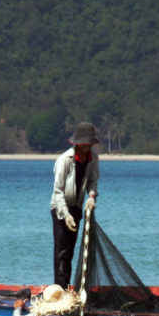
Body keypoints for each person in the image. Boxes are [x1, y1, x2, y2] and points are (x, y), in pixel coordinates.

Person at [50, 122, 100, 288]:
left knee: (70, 251)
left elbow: (93, 181)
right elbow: (58, 192)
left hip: (77, 209)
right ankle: (60, 289)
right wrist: (65, 215)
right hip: (61, 209)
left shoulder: (93, 158)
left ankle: (67, 286)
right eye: (84, 143)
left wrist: (91, 197)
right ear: (77, 143)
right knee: (61, 252)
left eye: (89, 143)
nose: (87, 147)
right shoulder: (65, 160)